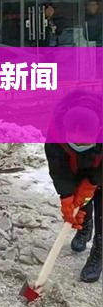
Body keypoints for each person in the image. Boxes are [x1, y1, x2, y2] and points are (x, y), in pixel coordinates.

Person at [45, 91, 102, 283]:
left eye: (84, 142)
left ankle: (99, 250)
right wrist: (67, 194)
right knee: (80, 200)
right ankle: (85, 227)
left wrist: (93, 181)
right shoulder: (56, 129)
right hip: (76, 165)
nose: (78, 144)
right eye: (74, 141)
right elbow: (57, 164)